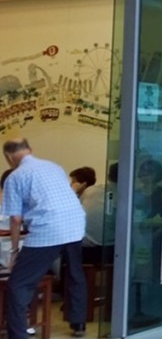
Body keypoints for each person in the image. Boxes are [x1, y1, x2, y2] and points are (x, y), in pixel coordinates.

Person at [1, 138, 87, 339]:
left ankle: (18, 334)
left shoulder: (15, 176)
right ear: (30, 149)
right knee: (75, 274)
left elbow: (15, 218)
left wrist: (14, 251)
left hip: (48, 229)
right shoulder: (54, 166)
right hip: (75, 223)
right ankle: (79, 323)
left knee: (18, 284)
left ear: (8, 157)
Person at [81, 163, 117, 264]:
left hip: (85, 246)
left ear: (108, 176)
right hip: (109, 248)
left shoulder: (90, 191)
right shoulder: (127, 196)